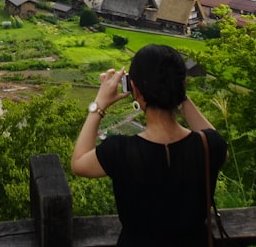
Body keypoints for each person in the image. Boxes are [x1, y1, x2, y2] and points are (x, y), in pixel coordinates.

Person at [71, 44, 227, 247]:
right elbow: (216, 141)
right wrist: (178, 93)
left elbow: (78, 163)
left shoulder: (120, 150)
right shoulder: (209, 146)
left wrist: (99, 104)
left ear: (134, 89)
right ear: (183, 85)